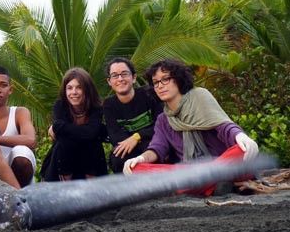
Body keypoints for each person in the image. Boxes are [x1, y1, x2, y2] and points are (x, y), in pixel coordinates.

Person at [122, 59, 259, 196]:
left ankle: (194, 185)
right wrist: (140, 159)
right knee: (136, 169)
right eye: (156, 82)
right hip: (190, 170)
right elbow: (157, 149)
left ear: (178, 79)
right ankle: (211, 185)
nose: (160, 86)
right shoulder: (163, 120)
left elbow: (224, 126)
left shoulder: (199, 96)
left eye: (166, 79)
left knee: (242, 150)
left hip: (223, 163)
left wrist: (240, 136)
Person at [40, 67, 108, 181]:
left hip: (91, 164)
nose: (74, 92)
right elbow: (89, 132)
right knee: (65, 141)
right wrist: (88, 131)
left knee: (90, 141)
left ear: (87, 89)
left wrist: (61, 129)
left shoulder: (95, 108)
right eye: (69, 88)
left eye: (79, 87)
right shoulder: (60, 106)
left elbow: (91, 133)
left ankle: (92, 187)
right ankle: (65, 183)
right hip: (63, 164)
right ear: (65, 90)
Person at [103, 57, 163, 173]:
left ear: (134, 77)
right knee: (117, 158)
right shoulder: (109, 105)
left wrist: (137, 137)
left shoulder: (148, 94)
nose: (120, 79)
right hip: (129, 148)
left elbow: (160, 125)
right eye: (115, 75)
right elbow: (115, 136)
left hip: (154, 142)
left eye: (124, 74)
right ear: (109, 81)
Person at [0, 66, 37, 187]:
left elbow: (30, 140)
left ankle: (20, 198)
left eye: (3, 85)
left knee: (22, 152)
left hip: (18, 178)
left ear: (10, 89)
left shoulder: (19, 113)